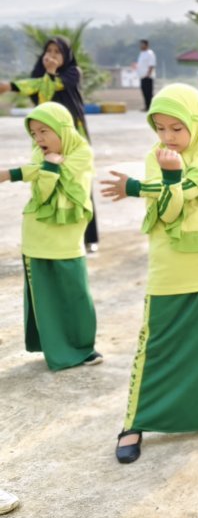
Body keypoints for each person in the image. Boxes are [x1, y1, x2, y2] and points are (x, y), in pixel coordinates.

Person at [100, 84, 198, 464]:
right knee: (155, 347)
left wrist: (136, 186)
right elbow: (167, 210)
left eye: (176, 129)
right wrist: (165, 178)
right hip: (169, 267)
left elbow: (194, 188)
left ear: (196, 122)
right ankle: (134, 423)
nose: (168, 138)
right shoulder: (157, 156)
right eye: (160, 128)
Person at [0, 102, 101, 370]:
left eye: (44, 131)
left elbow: (70, 179)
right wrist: (49, 169)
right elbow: (43, 193)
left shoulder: (81, 152)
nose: (39, 139)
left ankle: (83, 347)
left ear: (62, 129)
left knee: (76, 294)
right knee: (46, 298)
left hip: (68, 238)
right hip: (39, 236)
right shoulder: (38, 154)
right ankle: (57, 351)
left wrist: (11, 174)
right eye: (34, 133)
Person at [0, 36, 99, 253]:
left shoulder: (73, 73)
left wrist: (13, 85)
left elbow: (52, 84)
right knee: (46, 180)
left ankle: (88, 237)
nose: (51, 56)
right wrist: (9, 86)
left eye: (57, 52)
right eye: (48, 51)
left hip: (74, 140)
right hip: (46, 142)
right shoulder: (39, 78)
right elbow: (34, 85)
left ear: (66, 56)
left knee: (78, 185)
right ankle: (55, 236)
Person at [135, 39, 156, 111]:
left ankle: (152, 107)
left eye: (142, 44)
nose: (140, 46)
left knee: (149, 93)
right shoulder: (141, 53)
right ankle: (147, 106)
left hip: (148, 77)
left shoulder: (150, 53)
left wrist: (148, 74)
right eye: (140, 44)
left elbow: (151, 65)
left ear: (146, 45)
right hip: (142, 76)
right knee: (144, 92)